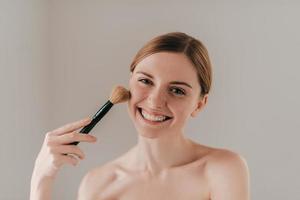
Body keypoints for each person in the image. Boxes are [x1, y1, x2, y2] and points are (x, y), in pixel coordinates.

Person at [30, 32, 250, 200]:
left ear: (199, 104)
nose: (155, 101)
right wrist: (42, 179)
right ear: (129, 84)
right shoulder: (98, 185)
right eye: (145, 81)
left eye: (177, 90)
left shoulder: (222, 169)